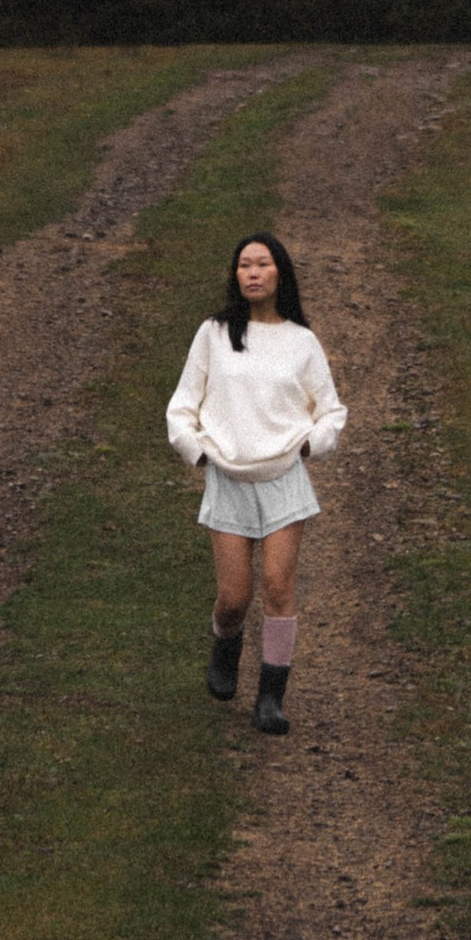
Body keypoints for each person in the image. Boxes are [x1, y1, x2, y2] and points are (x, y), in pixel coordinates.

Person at [166, 232, 345, 733]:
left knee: (278, 586)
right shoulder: (214, 334)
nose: (251, 273)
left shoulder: (301, 342)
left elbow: (330, 411)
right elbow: (182, 405)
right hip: (228, 477)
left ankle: (271, 696)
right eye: (243, 265)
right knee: (235, 596)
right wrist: (196, 449)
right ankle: (226, 645)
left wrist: (310, 445)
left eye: (262, 264)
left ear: (279, 273)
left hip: (283, 478)